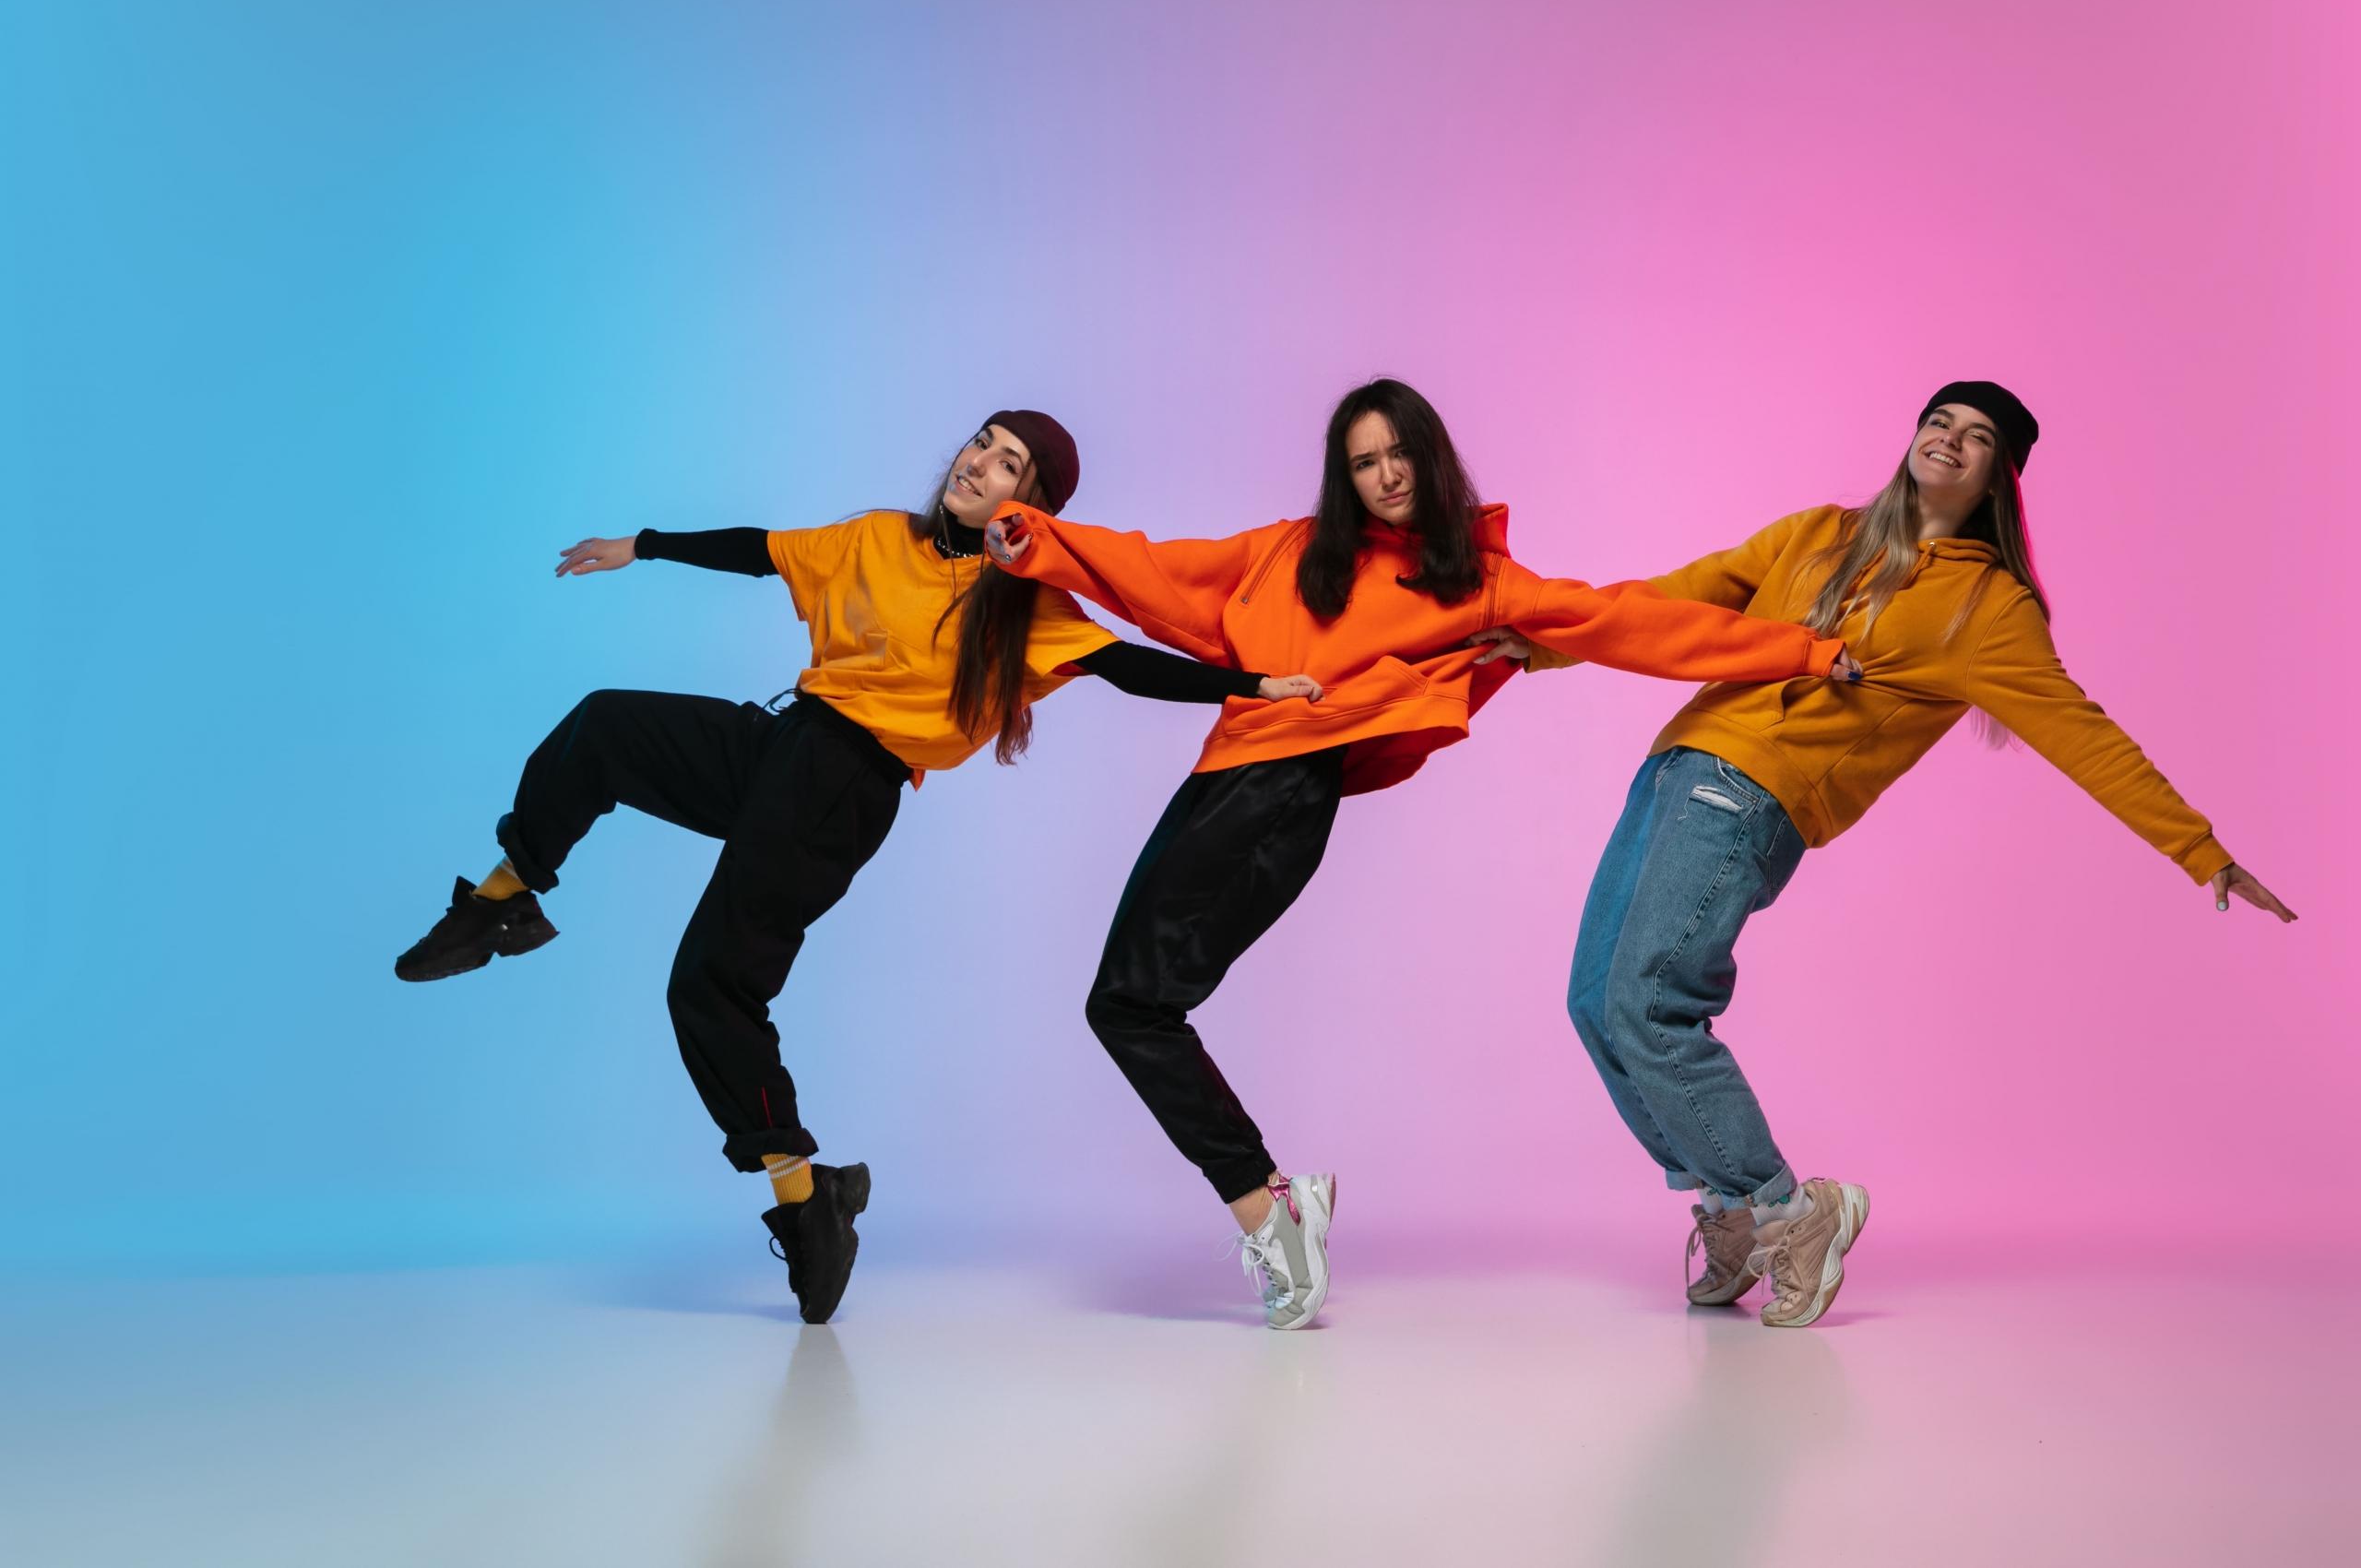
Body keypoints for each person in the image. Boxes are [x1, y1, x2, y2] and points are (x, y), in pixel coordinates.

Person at [394, 410, 1322, 1323]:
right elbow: (762, 548)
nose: (980, 465)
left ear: (1029, 508)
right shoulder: (879, 539)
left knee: (710, 985)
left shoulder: (1025, 605)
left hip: (843, 786)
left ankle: (808, 1202)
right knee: (603, 726)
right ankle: (502, 902)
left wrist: (1250, 686)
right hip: (780, 744)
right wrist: (640, 544)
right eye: (981, 444)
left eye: (1009, 467)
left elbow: (1127, 665)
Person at [985, 378, 1857, 1328]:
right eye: (1363, 463)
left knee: (1128, 1004)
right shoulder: (1291, 551)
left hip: (1278, 797)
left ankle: (1268, 1207)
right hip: (1222, 783)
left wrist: (1803, 655)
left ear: (1430, 456)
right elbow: (1162, 572)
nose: (1385, 475)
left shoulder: (1476, 585)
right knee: (1131, 1003)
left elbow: (1632, 624)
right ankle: (1271, 1202)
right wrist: (1042, 539)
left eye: (1398, 454)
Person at [1473, 380, 2297, 1327]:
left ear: (1999, 476)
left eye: (1976, 437)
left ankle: (1789, 1208)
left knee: (1648, 1004)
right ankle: (1733, 1209)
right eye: (1938, 422)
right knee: (1594, 1003)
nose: (1947, 441)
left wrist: (2200, 851)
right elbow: (1668, 603)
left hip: (1747, 797)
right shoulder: (1817, 532)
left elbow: (2083, 734)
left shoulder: (1987, 608)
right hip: (1670, 771)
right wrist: (1539, 642)